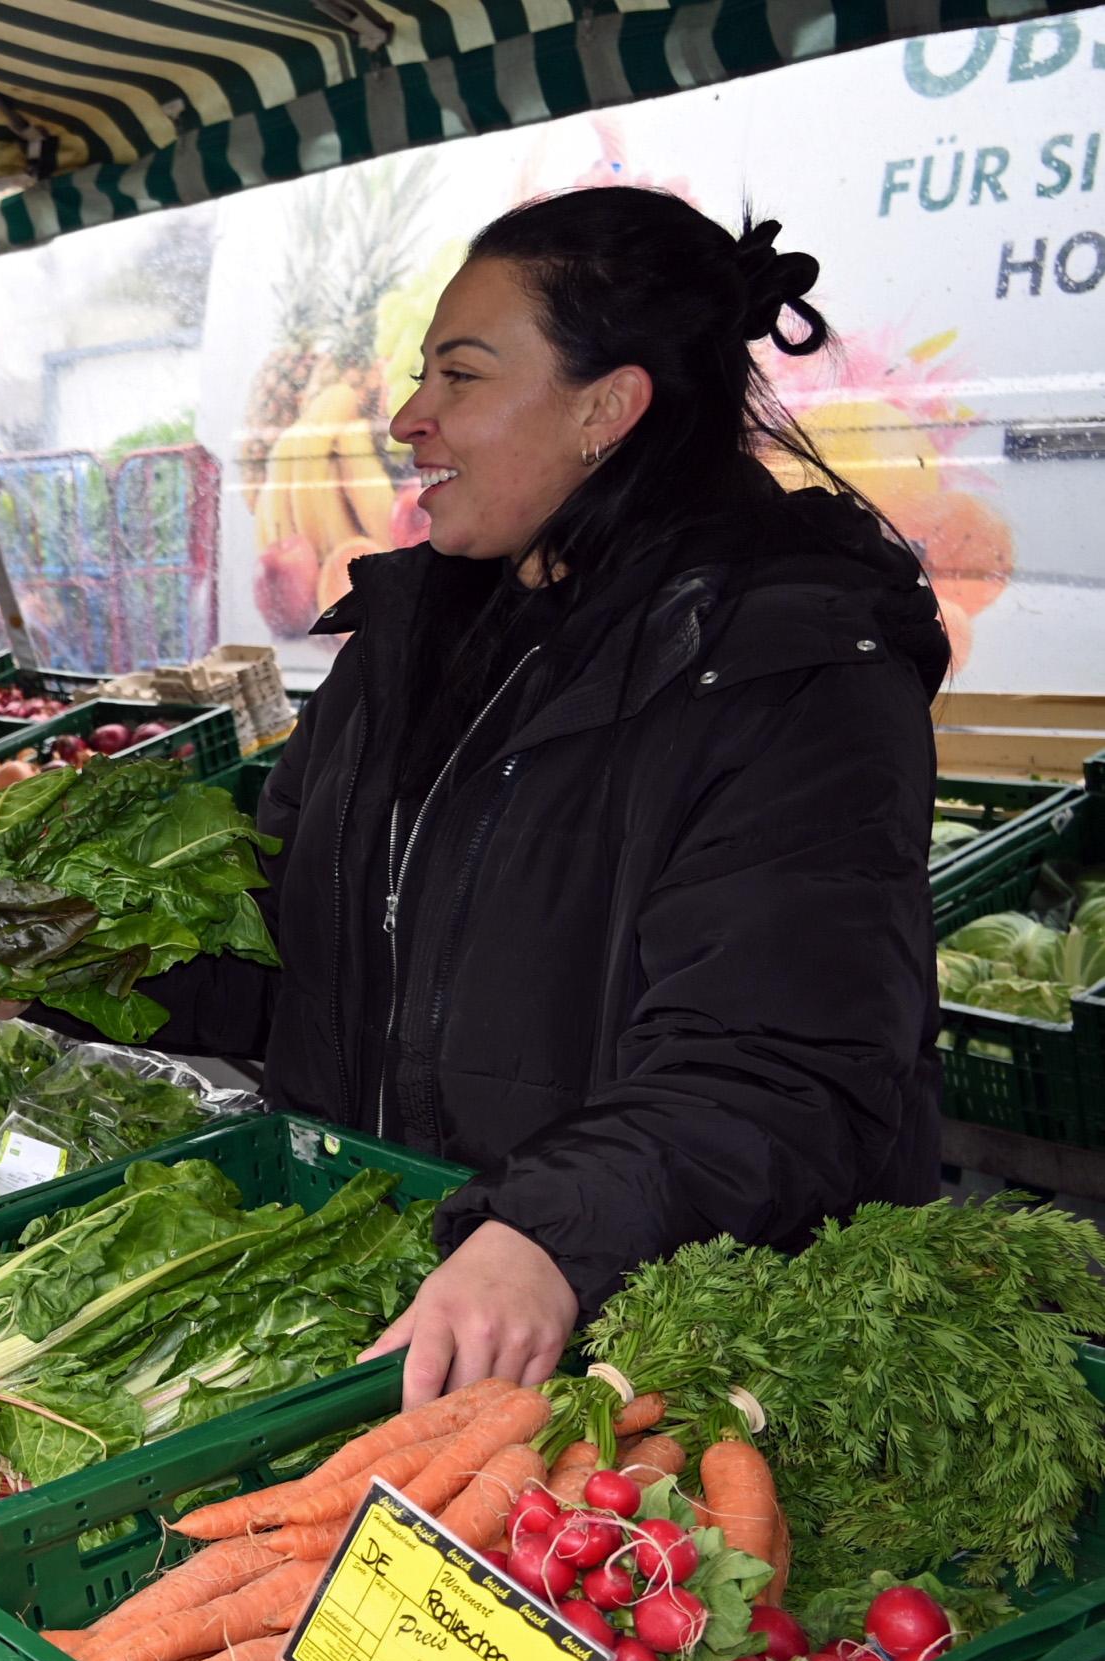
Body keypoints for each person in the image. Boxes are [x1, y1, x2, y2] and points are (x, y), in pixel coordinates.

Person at [127, 186, 945, 1405]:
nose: (410, 417)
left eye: (459, 377)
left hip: (650, 1359)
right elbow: (278, 948)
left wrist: (549, 1232)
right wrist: (56, 955)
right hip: (403, 1291)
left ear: (606, 409)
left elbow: (780, 1062)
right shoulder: (407, 644)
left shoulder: (791, 672)